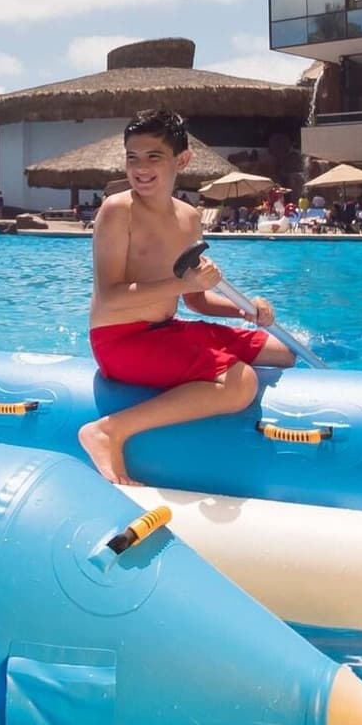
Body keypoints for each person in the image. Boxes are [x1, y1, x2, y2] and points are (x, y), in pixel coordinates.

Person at [76, 108, 291, 485]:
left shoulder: (189, 217)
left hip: (165, 329)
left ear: (182, 160)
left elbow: (196, 301)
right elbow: (109, 299)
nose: (140, 167)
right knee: (240, 382)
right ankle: (110, 431)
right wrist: (184, 285)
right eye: (132, 158)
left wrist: (246, 310)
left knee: (281, 351)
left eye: (153, 157)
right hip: (120, 341)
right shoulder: (117, 211)